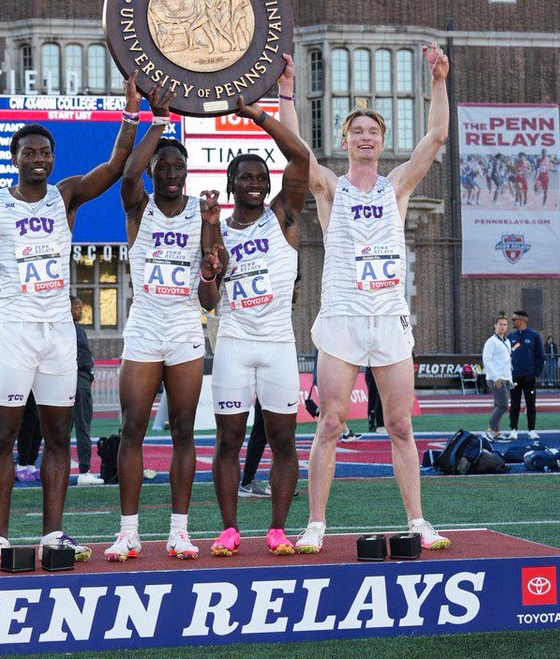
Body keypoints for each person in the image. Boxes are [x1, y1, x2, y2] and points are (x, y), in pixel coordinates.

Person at [0, 75, 149, 569]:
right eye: (30, 152)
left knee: (59, 437)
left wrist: (132, 113)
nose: (39, 158)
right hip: (16, 331)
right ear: (15, 157)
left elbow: (112, 168)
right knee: (3, 436)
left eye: (46, 152)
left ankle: (53, 534)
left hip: (60, 334)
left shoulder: (65, 197)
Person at [295, 43, 452, 554]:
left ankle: (418, 520)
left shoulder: (397, 187)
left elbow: (437, 136)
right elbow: (298, 151)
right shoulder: (330, 189)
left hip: (388, 317)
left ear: (382, 141)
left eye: (373, 132)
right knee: (332, 422)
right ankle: (316, 522)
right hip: (342, 317)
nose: (365, 138)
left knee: (400, 423)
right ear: (346, 139)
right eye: (357, 131)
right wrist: (285, 90)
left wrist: (439, 80)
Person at [105, 80, 225, 564]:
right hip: (145, 327)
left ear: (188, 171)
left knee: (182, 430)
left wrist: (212, 269)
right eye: (163, 166)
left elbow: (210, 297)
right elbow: (127, 173)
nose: (171, 172)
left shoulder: (203, 214)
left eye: (179, 166)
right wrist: (157, 122)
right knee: (133, 427)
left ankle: (179, 530)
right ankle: (128, 532)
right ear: (154, 171)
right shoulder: (140, 207)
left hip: (183, 329)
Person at [204, 61, 310, 558]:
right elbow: (206, 302)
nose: (253, 182)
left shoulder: (282, 216)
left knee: (283, 442)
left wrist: (258, 116)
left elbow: (301, 157)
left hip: (278, 345)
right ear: (231, 186)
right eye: (244, 177)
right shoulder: (216, 231)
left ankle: (276, 528)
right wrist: (211, 274)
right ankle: (228, 528)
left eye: (259, 176)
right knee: (228, 442)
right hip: (232, 343)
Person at [70, 293, 102, 485]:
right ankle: (84, 471)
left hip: (66, 382)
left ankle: (60, 469)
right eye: (77, 307)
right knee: (83, 426)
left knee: (61, 429)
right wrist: (89, 370)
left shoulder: (62, 329)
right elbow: (83, 358)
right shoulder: (76, 330)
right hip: (79, 382)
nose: (80, 310)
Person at [507, 309, 545, 440]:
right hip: (515, 376)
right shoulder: (510, 337)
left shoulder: (534, 336)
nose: (512, 321)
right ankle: (513, 429)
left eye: (514, 319)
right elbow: (507, 356)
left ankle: (532, 430)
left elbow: (540, 356)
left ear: (523, 320)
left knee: (530, 404)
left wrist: (536, 372)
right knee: (515, 404)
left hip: (529, 376)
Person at [482, 315, 513, 440]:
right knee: (503, 405)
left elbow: (507, 362)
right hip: (496, 378)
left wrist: (510, 379)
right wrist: (495, 377)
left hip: (505, 378)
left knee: (498, 405)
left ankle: (496, 432)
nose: (503, 327)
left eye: (505, 324)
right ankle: (490, 429)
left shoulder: (507, 341)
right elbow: (486, 359)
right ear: (495, 325)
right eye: (500, 324)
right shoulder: (491, 341)